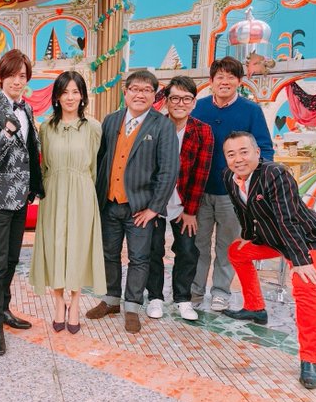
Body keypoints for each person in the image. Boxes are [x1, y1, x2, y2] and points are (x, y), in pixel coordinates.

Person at [221, 131, 316, 389]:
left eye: (244, 152)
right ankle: (255, 308)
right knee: (236, 251)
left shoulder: (275, 173)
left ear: (257, 153)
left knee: (304, 286)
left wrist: (300, 260)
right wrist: (248, 236)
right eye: (231, 154)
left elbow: (287, 219)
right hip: (272, 238)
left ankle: (310, 359)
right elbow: (242, 210)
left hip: (306, 240)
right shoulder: (228, 177)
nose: (238, 159)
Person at [86, 70, 179, 334]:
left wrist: (154, 208)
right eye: (135, 89)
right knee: (109, 254)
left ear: (155, 95)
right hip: (110, 203)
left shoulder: (162, 126)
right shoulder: (111, 120)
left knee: (139, 258)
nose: (140, 94)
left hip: (141, 208)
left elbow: (169, 170)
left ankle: (132, 307)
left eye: (147, 90)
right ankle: (111, 300)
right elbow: (101, 161)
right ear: (125, 93)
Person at [190, 56, 274, 311]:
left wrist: (252, 181)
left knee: (227, 245)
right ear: (211, 81)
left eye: (230, 77)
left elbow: (265, 148)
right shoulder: (198, 108)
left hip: (232, 194)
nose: (224, 82)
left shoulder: (251, 110)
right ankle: (194, 291)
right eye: (220, 77)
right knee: (197, 245)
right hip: (200, 191)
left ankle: (220, 291)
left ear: (239, 81)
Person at [0, 49, 44, 356]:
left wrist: (35, 186)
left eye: (22, 76)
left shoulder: (27, 108)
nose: (17, 81)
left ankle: (4, 309)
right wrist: (7, 132)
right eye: (12, 75)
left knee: (12, 260)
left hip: (20, 198)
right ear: (1, 77)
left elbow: (31, 149)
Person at [29, 71, 106, 334]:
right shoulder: (46, 128)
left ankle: (75, 304)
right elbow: (43, 167)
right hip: (53, 194)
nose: (70, 97)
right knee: (55, 248)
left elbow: (95, 168)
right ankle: (59, 303)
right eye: (65, 92)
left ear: (82, 95)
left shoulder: (93, 127)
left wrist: (87, 193)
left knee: (77, 248)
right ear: (57, 97)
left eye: (75, 92)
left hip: (83, 193)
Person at [145, 76, 214, 321]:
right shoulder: (154, 127)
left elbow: (201, 173)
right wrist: (151, 206)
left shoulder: (203, 131)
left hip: (185, 202)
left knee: (187, 250)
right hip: (155, 202)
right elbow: (146, 170)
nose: (180, 103)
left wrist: (190, 211)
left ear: (194, 102)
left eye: (186, 99)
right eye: (175, 98)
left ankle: (183, 299)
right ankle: (155, 297)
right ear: (166, 101)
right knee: (153, 249)